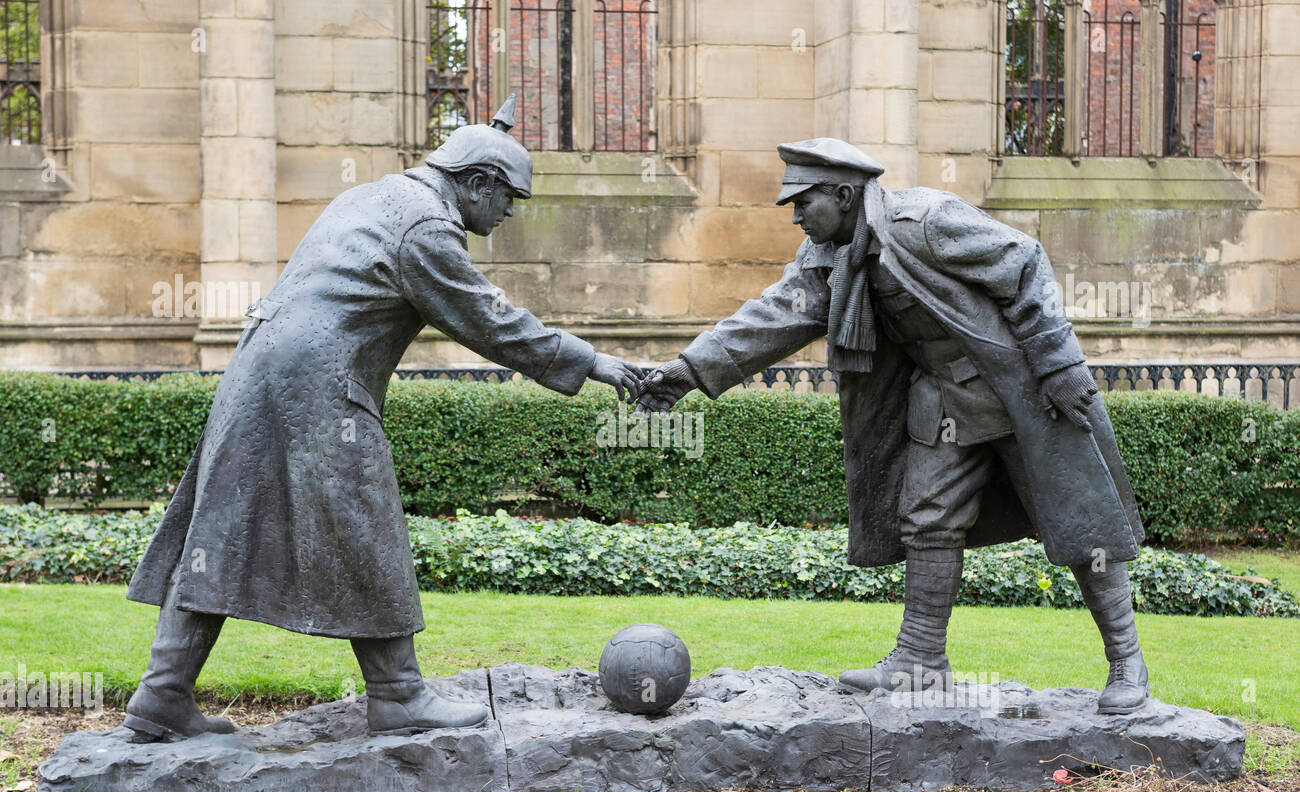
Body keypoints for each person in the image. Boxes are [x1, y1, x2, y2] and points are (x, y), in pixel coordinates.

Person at [122, 96, 643, 740]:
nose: (509, 213)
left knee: (222, 530)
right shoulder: (425, 227)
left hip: (255, 375)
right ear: (477, 183)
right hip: (319, 388)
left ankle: (161, 695)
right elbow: (490, 320)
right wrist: (596, 363)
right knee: (366, 524)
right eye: (509, 198)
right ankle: (397, 694)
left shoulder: (371, 196)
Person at [636, 138, 1149, 714]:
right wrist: (684, 373)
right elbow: (772, 316)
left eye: (804, 203)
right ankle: (921, 661)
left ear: (844, 193)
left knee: (1080, 524)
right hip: (941, 398)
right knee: (927, 518)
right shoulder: (828, 256)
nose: (797, 216)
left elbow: (1025, 261)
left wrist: (1060, 362)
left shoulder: (923, 220)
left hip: (1017, 390)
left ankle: (1128, 662)